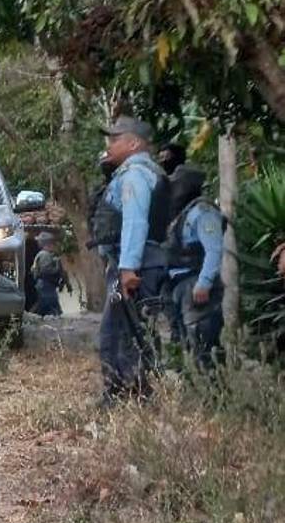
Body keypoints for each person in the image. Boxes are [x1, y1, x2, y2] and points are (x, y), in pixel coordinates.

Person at [91, 116, 171, 403]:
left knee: (118, 331)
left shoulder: (135, 175)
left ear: (133, 143)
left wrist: (127, 267)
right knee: (130, 328)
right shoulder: (144, 173)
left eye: (115, 139)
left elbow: (135, 223)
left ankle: (123, 393)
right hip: (142, 263)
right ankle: (131, 391)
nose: (109, 145)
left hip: (136, 266)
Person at [164, 165, 225, 368]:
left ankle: (215, 395)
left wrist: (204, 283)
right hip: (180, 285)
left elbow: (214, 250)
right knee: (187, 344)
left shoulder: (203, 212)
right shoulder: (183, 214)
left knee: (204, 345)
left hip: (196, 284)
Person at [30, 232, 66, 316]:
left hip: (45, 285)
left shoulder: (45, 254)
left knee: (45, 303)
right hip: (45, 284)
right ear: (49, 244)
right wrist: (57, 264)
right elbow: (46, 271)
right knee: (50, 303)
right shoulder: (45, 255)